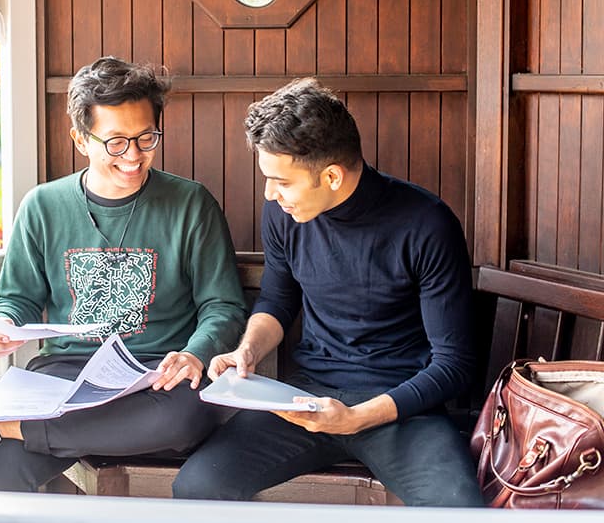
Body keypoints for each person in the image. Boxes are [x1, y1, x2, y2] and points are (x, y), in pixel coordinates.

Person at [0, 56, 248, 491]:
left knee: (184, 421)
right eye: (116, 142)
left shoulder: (190, 204)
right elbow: (17, 297)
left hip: (159, 376)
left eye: (146, 138)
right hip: (67, 375)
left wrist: (195, 354)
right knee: (4, 470)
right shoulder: (43, 206)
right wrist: (6, 323)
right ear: (80, 139)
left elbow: (223, 305)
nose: (133, 156)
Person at [171, 78, 484, 507]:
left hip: (401, 405)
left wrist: (357, 418)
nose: (269, 193)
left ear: (332, 176)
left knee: (458, 507)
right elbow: (278, 301)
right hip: (307, 397)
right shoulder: (283, 214)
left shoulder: (426, 223)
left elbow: (455, 364)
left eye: (281, 181)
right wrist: (248, 350)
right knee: (197, 487)